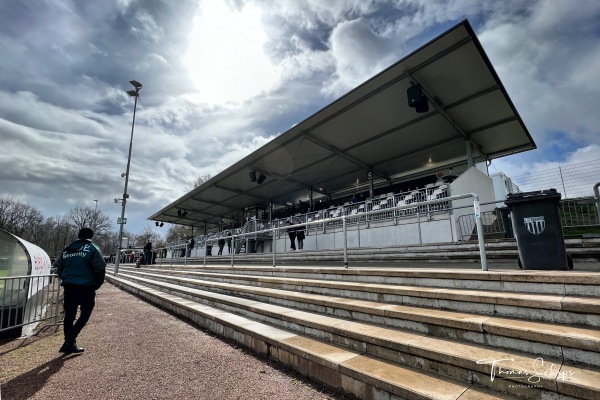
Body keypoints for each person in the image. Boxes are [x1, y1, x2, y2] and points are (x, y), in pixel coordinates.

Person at [53, 227, 106, 354]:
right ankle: (70, 340)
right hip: (86, 286)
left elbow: (59, 266)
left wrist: (66, 278)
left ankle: (69, 343)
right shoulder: (92, 248)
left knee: (69, 315)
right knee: (85, 314)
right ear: (91, 236)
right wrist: (97, 283)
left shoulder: (67, 248)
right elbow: (100, 267)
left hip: (69, 286)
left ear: (79, 235)